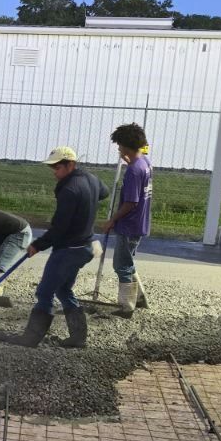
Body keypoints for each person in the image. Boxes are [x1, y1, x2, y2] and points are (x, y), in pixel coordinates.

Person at [21, 147, 107, 348]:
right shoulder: (91, 179)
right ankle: (78, 338)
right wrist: (86, 201)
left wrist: (38, 245)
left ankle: (30, 339)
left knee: (45, 292)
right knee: (63, 289)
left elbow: (59, 228)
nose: (54, 172)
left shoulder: (69, 190)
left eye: (57, 168)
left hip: (69, 249)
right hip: (86, 247)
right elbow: (104, 192)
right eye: (52, 168)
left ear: (71, 165)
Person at [100, 123, 152, 318]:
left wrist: (112, 220)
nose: (119, 150)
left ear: (126, 147)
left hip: (129, 225)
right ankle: (139, 298)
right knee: (128, 261)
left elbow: (131, 202)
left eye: (120, 146)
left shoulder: (134, 170)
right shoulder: (145, 162)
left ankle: (126, 306)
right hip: (139, 223)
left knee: (121, 265)